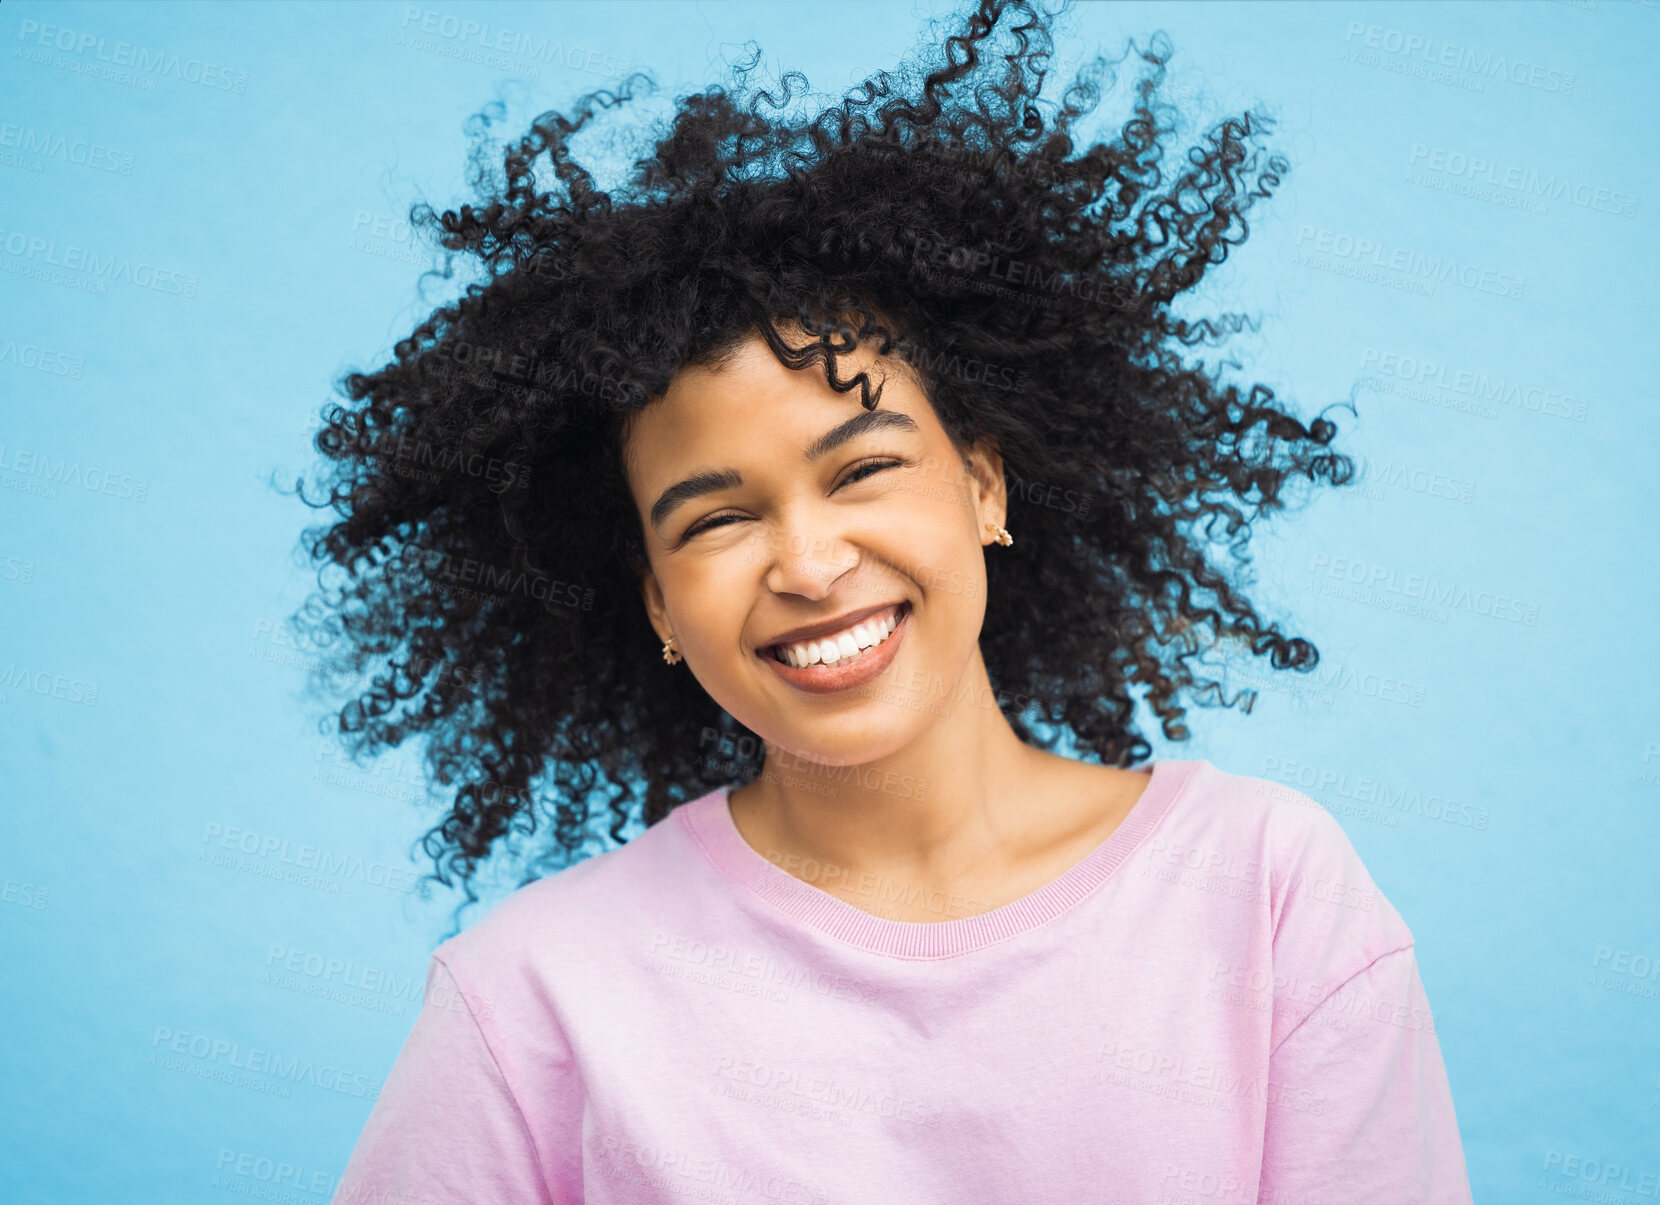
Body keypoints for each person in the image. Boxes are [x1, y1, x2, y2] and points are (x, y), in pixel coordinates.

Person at [298, 1, 1473, 1199]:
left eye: (861, 468)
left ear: (981, 484)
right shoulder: (533, 997)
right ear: (655, 602)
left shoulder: (1263, 893)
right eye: (716, 518)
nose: (807, 564)